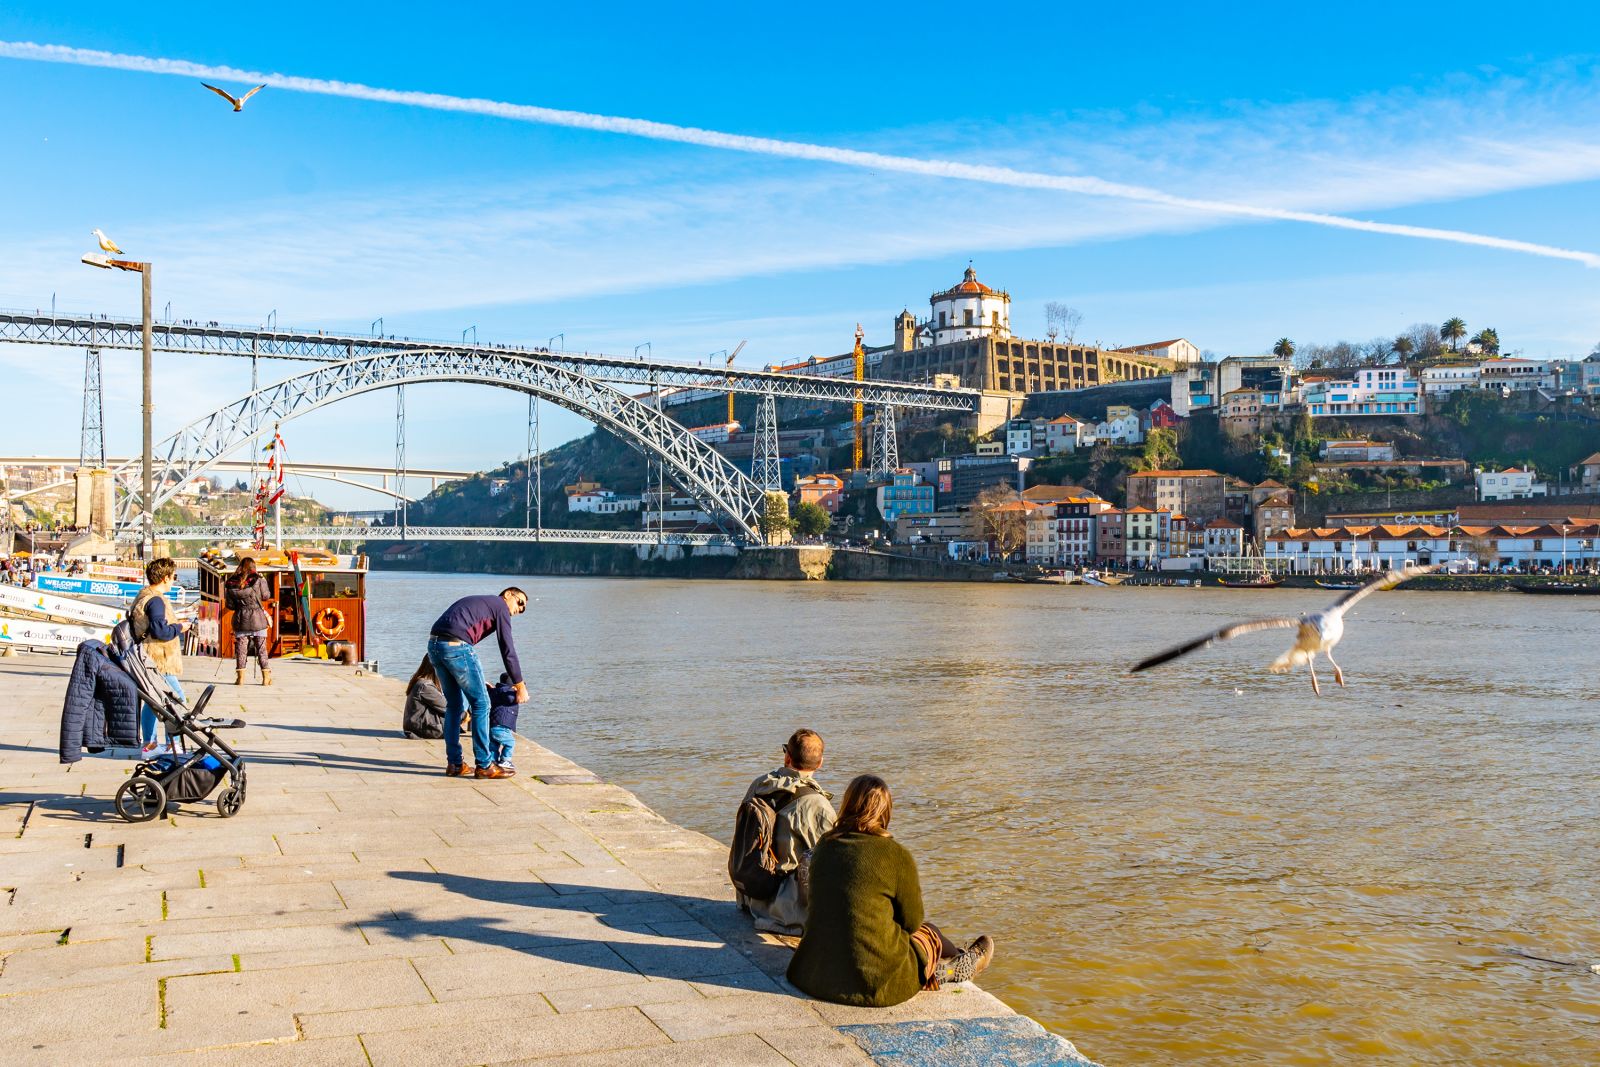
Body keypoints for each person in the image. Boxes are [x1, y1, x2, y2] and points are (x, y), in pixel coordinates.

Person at [787, 774, 994, 1007]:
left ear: (847, 805)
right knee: (930, 934)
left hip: (814, 975)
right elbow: (912, 922)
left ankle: (954, 961)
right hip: (873, 984)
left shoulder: (824, 846)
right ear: (885, 811)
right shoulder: (896, 855)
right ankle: (957, 964)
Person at [732, 729, 836, 934]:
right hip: (785, 908)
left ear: (787, 757)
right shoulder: (819, 805)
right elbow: (832, 860)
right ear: (820, 763)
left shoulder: (760, 784)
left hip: (750, 893)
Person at [427, 588, 529, 779]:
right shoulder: (500, 606)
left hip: (435, 645)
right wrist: (519, 684)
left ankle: (455, 764)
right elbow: (507, 647)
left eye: (523, 609)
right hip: (457, 646)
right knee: (482, 704)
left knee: (454, 706)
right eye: (520, 603)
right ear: (508, 594)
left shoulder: (483, 602)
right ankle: (484, 764)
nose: (520, 609)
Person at [129, 558, 190, 757]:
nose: (174, 580)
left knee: (153, 702)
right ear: (165, 578)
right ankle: (173, 744)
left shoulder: (143, 596)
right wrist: (180, 627)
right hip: (159, 659)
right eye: (174, 576)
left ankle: (149, 745)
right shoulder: (156, 600)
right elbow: (160, 631)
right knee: (175, 700)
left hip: (147, 657)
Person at [223, 557, 273, 686]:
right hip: (258, 619)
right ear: (253, 567)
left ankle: (240, 679)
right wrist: (264, 581)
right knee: (261, 649)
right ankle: (266, 678)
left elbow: (229, 605)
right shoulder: (259, 579)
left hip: (240, 619)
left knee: (241, 649)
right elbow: (266, 596)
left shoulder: (231, 582)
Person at [402, 656, 456, 739]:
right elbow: (446, 707)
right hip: (423, 729)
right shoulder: (425, 686)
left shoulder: (420, 681)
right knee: (465, 698)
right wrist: (464, 715)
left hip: (416, 726)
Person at [487, 672, 520, 772]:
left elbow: (492, 693)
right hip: (501, 726)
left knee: (494, 745)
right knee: (510, 742)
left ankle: (492, 761)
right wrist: (517, 692)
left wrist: (490, 688)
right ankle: (505, 760)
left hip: (493, 725)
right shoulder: (507, 692)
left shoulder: (496, 691)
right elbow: (510, 698)